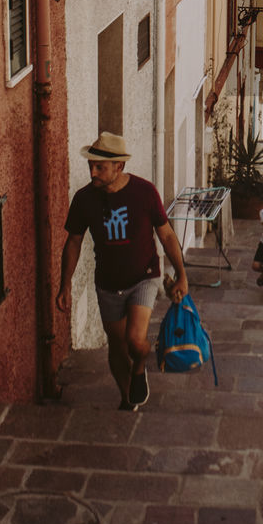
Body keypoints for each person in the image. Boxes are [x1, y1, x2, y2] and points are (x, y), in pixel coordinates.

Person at [56, 132, 188, 411]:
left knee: (135, 341)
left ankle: (140, 366)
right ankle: (127, 397)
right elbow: (74, 242)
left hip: (144, 276)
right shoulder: (84, 199)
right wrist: (65, 284)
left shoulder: (144, 192)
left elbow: (165, 235)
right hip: (107, 283)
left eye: (100, 167)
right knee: (116, 347)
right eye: (91, 165)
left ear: (119, 167)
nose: (92, 172)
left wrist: (182, 274)